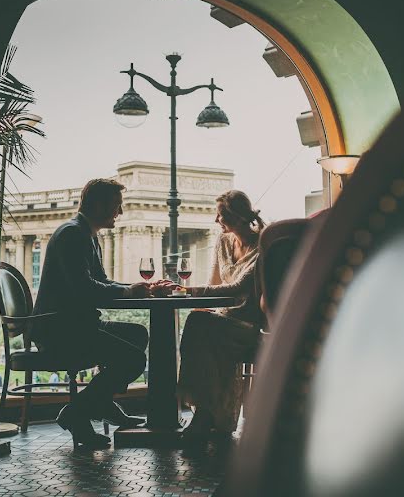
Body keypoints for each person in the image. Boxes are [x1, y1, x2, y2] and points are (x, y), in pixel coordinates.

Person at [32, 178, 173, 448]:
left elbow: (102, 282)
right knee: (133, 360)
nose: (119, 213)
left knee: (137, 333)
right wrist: (127, 292)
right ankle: (78, 413)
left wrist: (133, 288)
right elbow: (84, 288)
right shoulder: (74, 235)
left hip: (72, 324)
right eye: (115, 206)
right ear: (98, 205)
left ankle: (100, 404)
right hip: (61, 330)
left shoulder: (84, 233)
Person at [177, 190, 266, 443]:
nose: (217, 221)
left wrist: (190, 291)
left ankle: (204, 415)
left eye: (221, 215)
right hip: (223, 320)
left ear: (237, 217)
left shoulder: (262, 246)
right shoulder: (223, 241)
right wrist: (200, 303)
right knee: (200, 322)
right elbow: (214, 282)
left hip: (249, 324)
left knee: (199, 326)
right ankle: (207, 414)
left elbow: (237, 287)